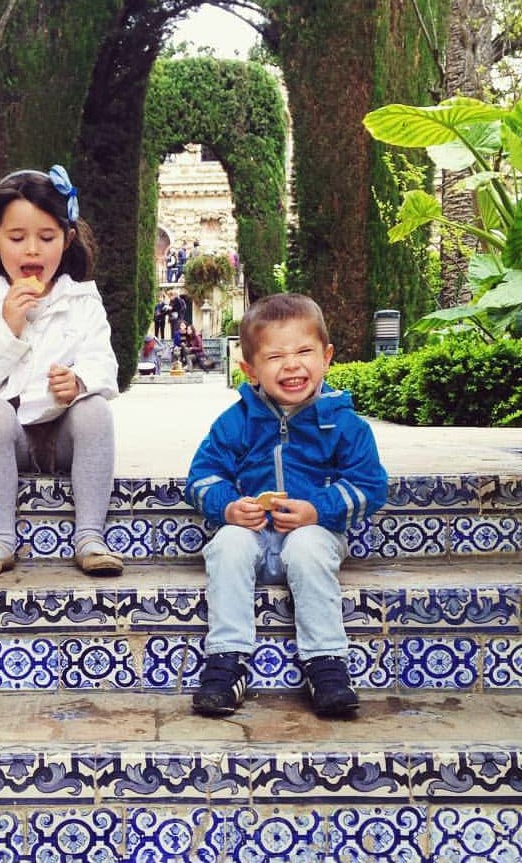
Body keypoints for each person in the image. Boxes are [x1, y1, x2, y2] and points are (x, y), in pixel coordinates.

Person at [185, 293, 387, 718]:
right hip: (255, 537)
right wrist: (228, 508)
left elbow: (370, 486)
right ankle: (227, 659)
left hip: (313, 536)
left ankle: (326, 663)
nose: (292, 365)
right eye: (275, 356)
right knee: (227, 545)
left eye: (304, 352)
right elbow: (201, 478)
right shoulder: (236, 421)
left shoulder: (345, 424)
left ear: (327, 357)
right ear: (250, 369)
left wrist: (319, 509)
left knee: (308, 546)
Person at [0, 165, 123, 578]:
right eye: (17, 239)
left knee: (94, 411)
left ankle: (90, 536)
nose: (32, 250)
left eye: (47, 238)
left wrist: (80, 381)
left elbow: (105, 363)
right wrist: (6, 328)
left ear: (67, 239)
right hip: (8, 441)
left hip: (64, 436)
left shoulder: (81, 298)